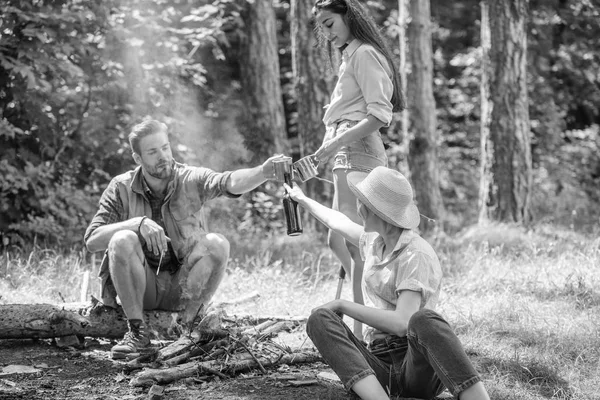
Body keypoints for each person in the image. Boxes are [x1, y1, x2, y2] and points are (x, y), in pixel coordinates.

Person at [284, 166, 490, 400]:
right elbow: (337, 221)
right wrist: (301, 199)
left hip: (416, 366)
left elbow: (402, 323)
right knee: (319, 319)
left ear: (375, 210)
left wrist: (342, 305)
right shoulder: (374, 242)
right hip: (377, 366)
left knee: (424, 319)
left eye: (361, 202)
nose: (357, 208)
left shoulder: (416, 254)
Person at [84, 119, 281, 359]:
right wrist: (136, 224)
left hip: (182, 287)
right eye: (153, 152)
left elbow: (228, 182)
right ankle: (138, 335)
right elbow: (92, 240)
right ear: (138, 158)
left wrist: (263, 172)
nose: (163, 156)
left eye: (165, 148)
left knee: (217, 243)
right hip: (141, 287)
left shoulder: (190, 178)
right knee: (121, 238)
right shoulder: (121, 187)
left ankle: (189, 331)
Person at [311, 0, 405, 340]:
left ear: (349, 17)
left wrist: (337, 144)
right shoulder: (350, 55)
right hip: (345, 150)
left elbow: (380, 114)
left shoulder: (364, 54)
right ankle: (370, 310)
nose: (326, 31)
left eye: (330, 22)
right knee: (338, 240)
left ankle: (365, 332)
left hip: (358, 151)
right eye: (321, 25)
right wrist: (330, 146)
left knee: (358, 243)